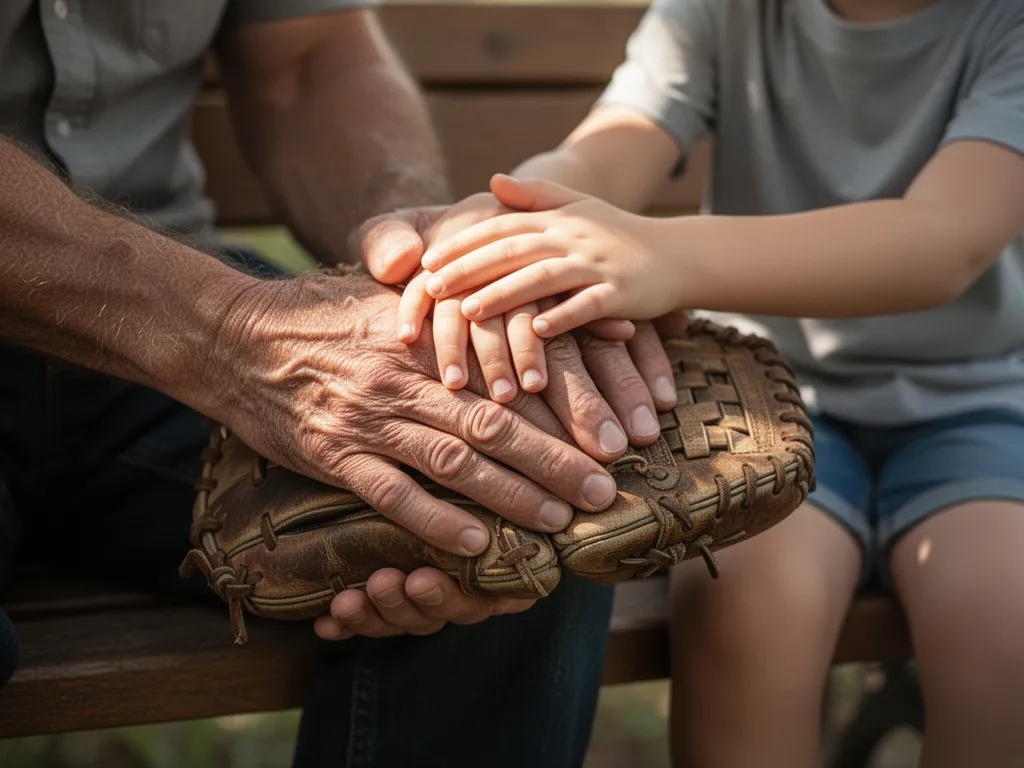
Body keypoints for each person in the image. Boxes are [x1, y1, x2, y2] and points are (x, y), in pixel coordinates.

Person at [0, 2, 679, 765]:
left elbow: (308, 58)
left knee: (514, 503)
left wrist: (427, 272)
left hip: (173, 307)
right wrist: (232, 332)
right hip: (187, 310)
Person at [395, 0, 1024, 766]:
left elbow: (946, 240)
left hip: (978, 407)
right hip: (762, 412)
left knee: (1005, 623)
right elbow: (606, 150)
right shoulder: (724, 11)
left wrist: (665, 254)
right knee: (744, 608)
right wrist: (515, 218)